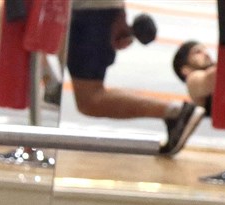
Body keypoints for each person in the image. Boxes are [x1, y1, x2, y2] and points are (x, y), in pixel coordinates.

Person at [58, 0, 203, 155]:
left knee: (90, 99)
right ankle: (175, 113)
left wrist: (117, 11)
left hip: (90, 12)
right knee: (88, 98)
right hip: (91, 10)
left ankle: (176, 113)